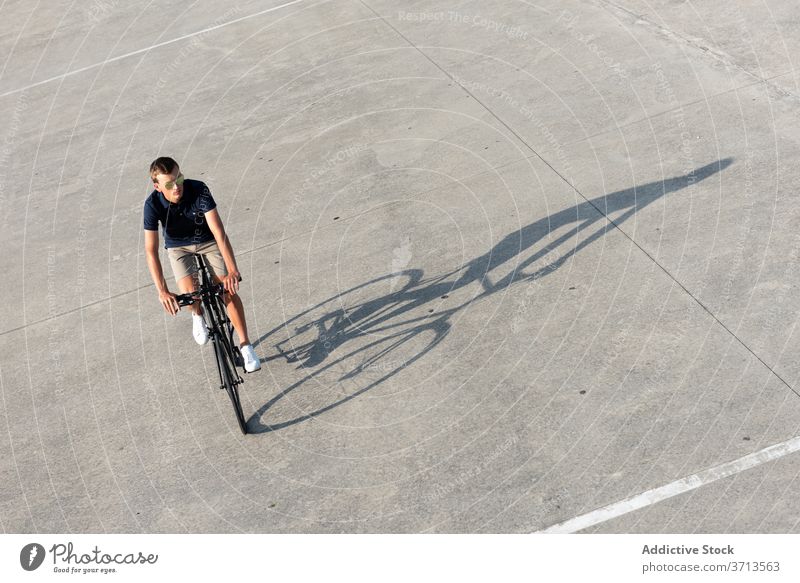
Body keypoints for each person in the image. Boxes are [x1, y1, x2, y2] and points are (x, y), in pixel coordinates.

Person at [143, 156, 261, 372]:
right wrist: (162, 291)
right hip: (179, 247)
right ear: (158, 186)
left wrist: (232, 270)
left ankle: (246, 346)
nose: (177, 186)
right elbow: (151, 251)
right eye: (170, 183)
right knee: (190, 293)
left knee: (228, 289)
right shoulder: (151, 205)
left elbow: (218, 231)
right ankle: (198, 315)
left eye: (179, 178)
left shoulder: (199, 189)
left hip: (208, 241)